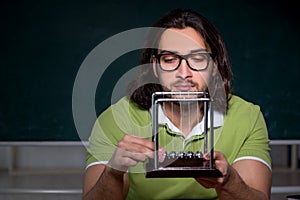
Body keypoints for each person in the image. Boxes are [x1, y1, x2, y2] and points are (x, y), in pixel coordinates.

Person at [82, 9, 272, 200]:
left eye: (197, 59)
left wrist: (229, 180)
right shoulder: (116, 119)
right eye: (170, 60)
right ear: (155, 66)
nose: (184, 73)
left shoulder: (246, 117)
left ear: (214, 66)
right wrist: (113, 172)